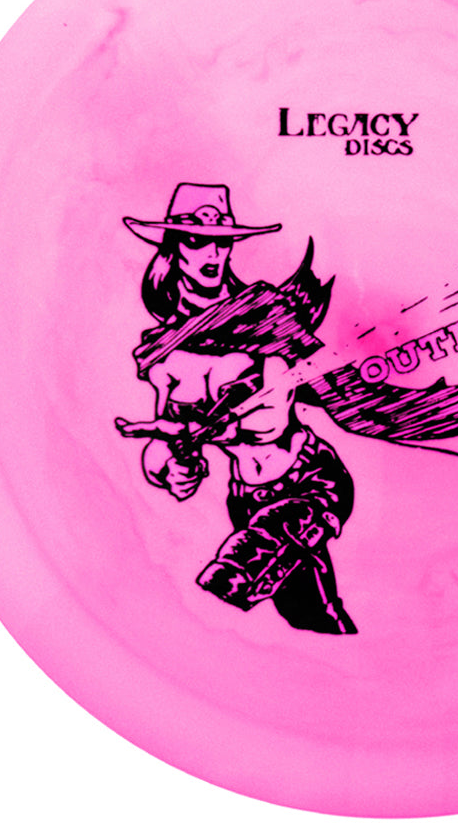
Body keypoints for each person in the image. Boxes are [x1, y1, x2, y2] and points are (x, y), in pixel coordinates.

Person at [117, 183, 358, 635]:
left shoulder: (263, 318)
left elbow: (269, 421)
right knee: (310, 615)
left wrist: (205, 432)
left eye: (223, 242)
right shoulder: (164, 353)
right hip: (248, 498)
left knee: (237, 572)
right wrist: (172, 468)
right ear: (174, 248)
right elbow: (160, 445)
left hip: (310, 478)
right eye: (196, 240)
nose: (212, 253)